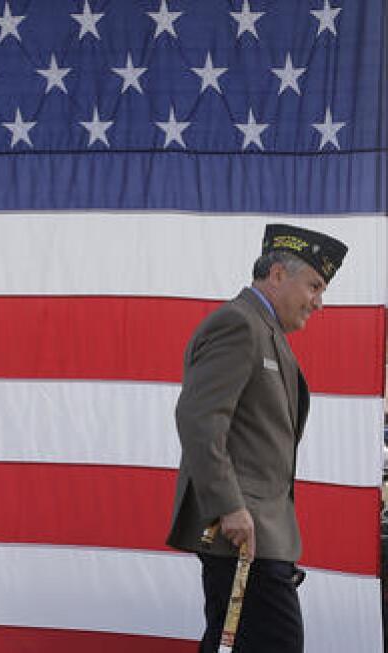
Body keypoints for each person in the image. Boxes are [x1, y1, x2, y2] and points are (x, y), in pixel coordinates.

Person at [166, 223, 347, 652]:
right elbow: (199, 417)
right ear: (279, 275)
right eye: (315, 286)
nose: (319, 303)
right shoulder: (239, 324)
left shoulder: (265, 330)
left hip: (260, 533)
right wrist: (228, 506)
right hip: (241, 534)